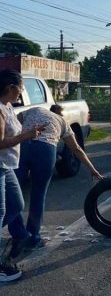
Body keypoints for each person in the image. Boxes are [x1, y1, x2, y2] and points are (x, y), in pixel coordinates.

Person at [7, 105, 104, 262]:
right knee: (38, 195)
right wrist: (92, 170)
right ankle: (33, 238)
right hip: (46, 151)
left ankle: (19, 234)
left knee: (12, 194)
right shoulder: (62, 121)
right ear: (60, 113)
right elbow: (77, 149)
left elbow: (14, 123)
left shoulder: (35, 110)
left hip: (23, 146)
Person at [0, 69, 44, 282]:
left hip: (7, 166)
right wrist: (26, 136)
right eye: (21, 89)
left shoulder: (8, 107)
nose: (21, 93)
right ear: (10, 88)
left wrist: (29, 130)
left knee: (16, 205)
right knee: (1, 211)